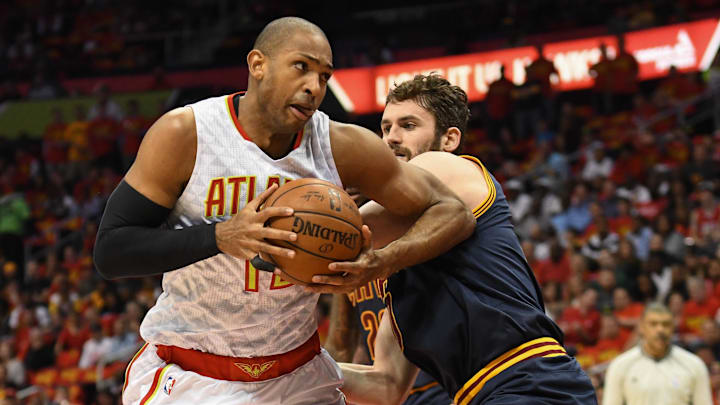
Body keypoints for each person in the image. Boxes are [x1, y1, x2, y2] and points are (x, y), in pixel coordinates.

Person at [93, 17, 474, 405]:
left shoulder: (342, 147)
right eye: (301, 67)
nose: (314, 87)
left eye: (324, 76)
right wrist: (219, 237)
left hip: (299, 375)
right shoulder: (186, 134)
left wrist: (383, 261)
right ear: (258, 64)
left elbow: (453, 212)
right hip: (195, 374)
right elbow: (111, 251)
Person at [334, 74, 596, 404]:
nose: (390, 139)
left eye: (408, 125)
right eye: (385, 128)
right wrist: (302, 367)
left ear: (449, 140)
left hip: (528, 379)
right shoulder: (402, 267)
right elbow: (385, 386)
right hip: (487, 393)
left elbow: (343, 232)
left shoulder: (447, 167)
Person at [602, 303, 712, 405]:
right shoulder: (620, 366)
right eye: (653, 324)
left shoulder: (694, 364)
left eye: (666, 324)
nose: (660, 330)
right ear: (641, 327)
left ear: (673, 327)